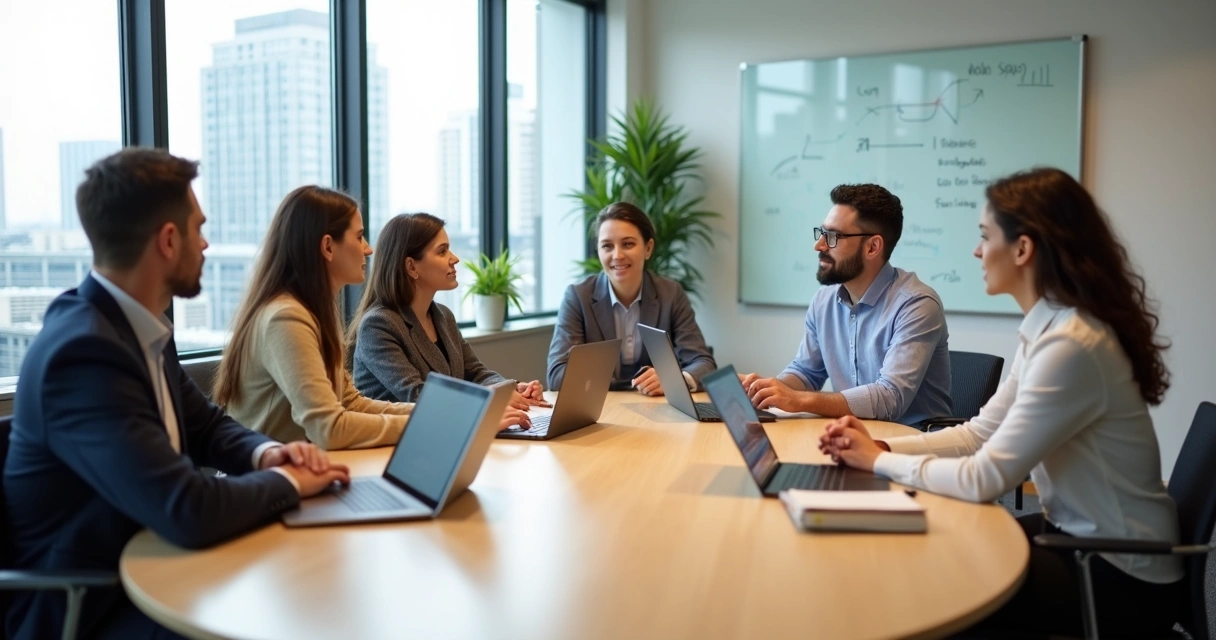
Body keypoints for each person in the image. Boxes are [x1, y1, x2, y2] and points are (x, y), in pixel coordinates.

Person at [819, 168, 1183, 637]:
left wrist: (879, 463)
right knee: (937, 550)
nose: (976, 250)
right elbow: (978, 434)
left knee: (944, 586)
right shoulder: (1050, 329)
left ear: (1023, 249)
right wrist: (882, 451)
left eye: (985, 236)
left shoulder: (1072, 345)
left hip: (1121, 573)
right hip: (1080, 540)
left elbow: (987, 476)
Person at [4, 148, 350, 640]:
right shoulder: (83, 354)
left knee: (308, 591)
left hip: (153, 561)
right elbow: (186, 510)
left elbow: (205, 424)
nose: (206, 244)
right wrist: (293, 484)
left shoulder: (135, 326)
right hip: (92, 604)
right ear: (169, 240)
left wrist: (268, 453)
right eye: (198, 229)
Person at [215, 186, 422, 449]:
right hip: (263, 480)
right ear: (327, 246)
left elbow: (349, 402)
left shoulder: (312, 311)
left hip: (297, 472)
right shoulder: (286, 318)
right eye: (359, 237)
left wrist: (430, 415)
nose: (368, 250)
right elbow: (329, 428)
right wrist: (424, 424)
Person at [738, 183, 951, 426]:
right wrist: (765, 390)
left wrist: (799, 400)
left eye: (832, 237)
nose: (818, 246)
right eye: (821, 233)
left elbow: (889, 398)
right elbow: (807, 373)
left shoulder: (916, 305)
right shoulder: (824, 300)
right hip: (854, 438)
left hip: (914, 446)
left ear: (872, 247)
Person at [348, 213, 541, 428]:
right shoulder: (378, 325)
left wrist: (510, 389)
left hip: (442, 432)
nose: (454, 258)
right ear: (411, 267)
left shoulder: (443, 316)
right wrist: (489, 396)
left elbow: (476, 372)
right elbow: (416, 395)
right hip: (393, 446)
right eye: (442, 251)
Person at [547, 202, 715, 395]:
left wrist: (674, 380)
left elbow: (703, 363)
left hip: (657, 409)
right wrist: (623, 384)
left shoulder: (671, 294)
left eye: (628, 244)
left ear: (648, 248)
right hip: (601, 412)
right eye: (607, 246)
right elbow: (557, 374)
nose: (617, 255)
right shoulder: (578, 297)